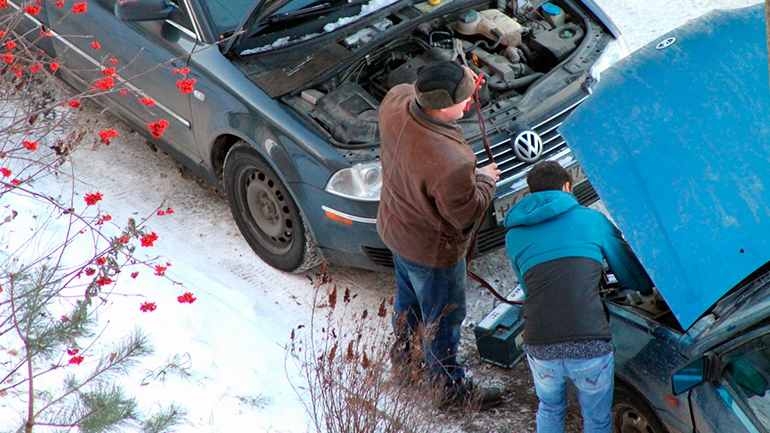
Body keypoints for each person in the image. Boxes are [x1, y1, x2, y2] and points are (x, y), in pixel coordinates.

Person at [377, 60, 502, 408]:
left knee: (410, 307)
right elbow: (464, 212)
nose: (470, 103)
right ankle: (449, 391)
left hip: (397, 231)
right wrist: (486, 180)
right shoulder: (451, 161)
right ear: (442, 107)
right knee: (443, 321)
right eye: (465, 99)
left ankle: (405, 366)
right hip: (432, 253)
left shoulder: (395, 101)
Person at [504, 161, 654, 433]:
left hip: (539, 341)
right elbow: (632, 277)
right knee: (596, 419)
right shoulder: (593, 220)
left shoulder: (514, 236)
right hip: (589, 342)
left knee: (549, 408)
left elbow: (530, 289)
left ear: (531, 193)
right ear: (567, 187)